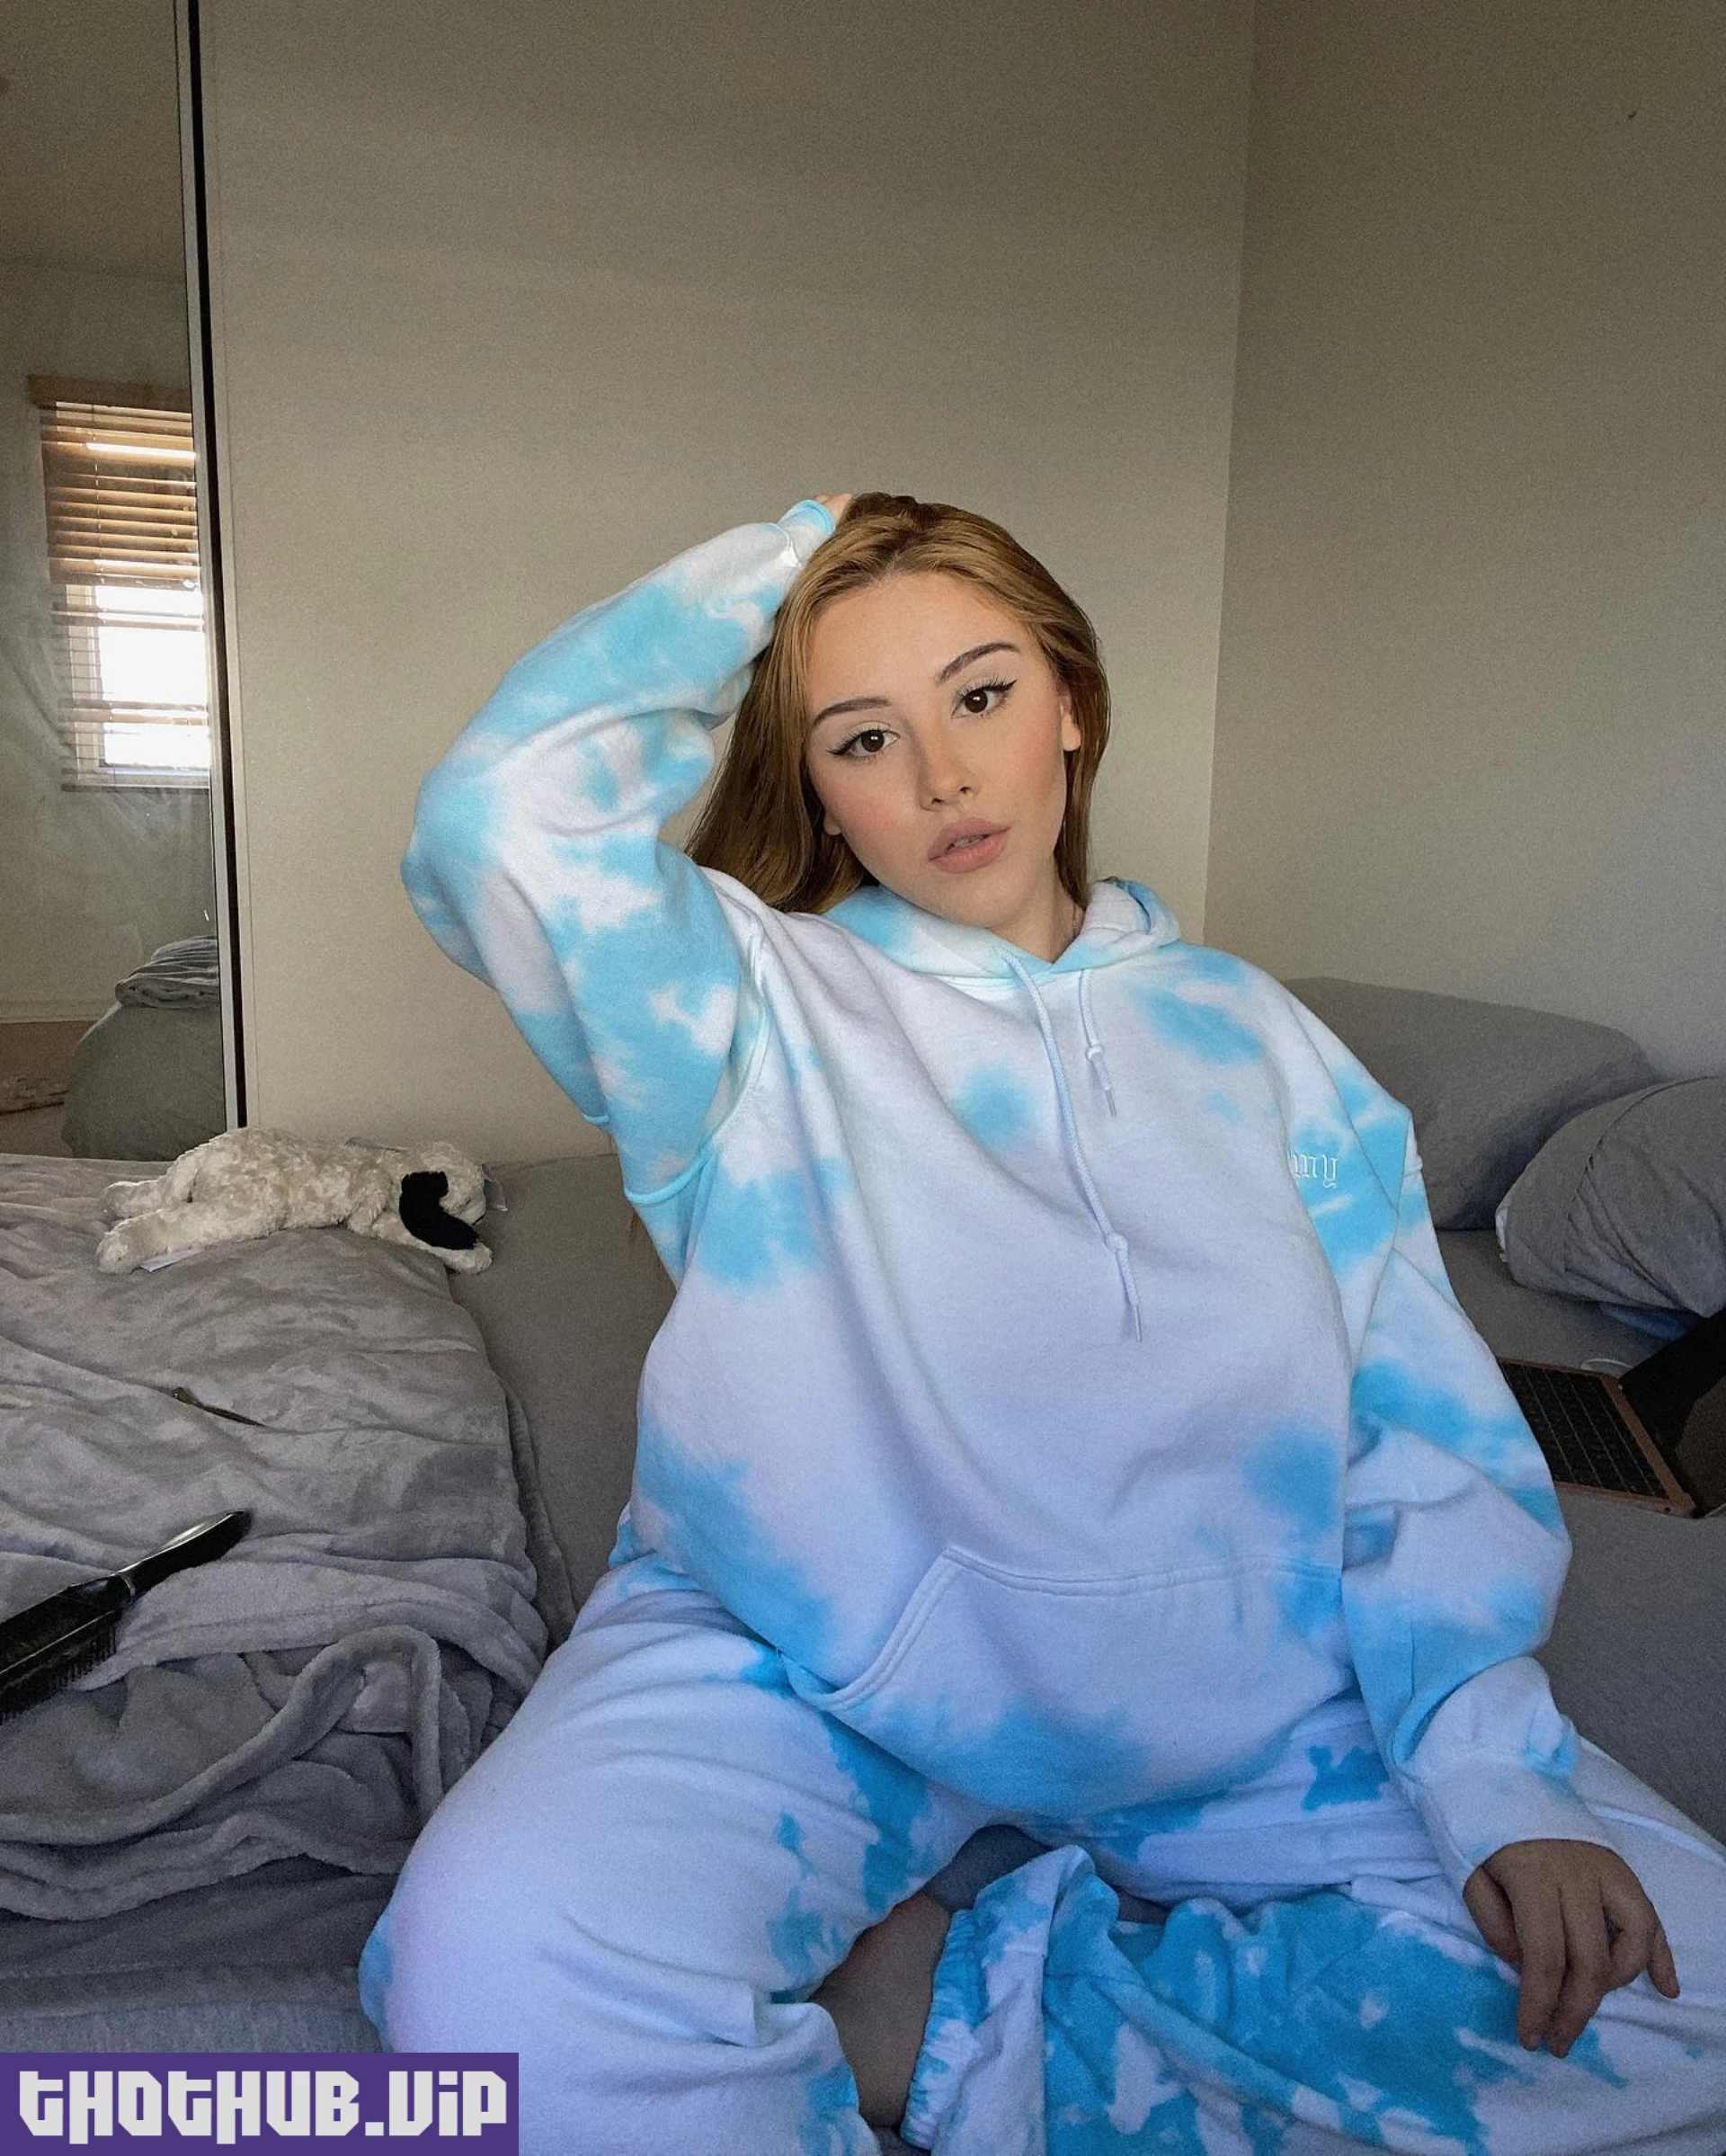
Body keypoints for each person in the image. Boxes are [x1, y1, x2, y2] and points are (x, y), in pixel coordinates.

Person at [360, 494, 1726, 2153]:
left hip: (1245, 1697)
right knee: (490, 1981)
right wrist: (811, 548)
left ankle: (951, 2011)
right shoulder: (742, 1005)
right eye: (867, 737)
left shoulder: (1263, 1039)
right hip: (815, 1668)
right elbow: (496, 819)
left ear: (1071, 706)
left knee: (1691, 1988)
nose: (942, 775)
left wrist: (1491, 1763)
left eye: (983, 694)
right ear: (818, 789)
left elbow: (1414, 1406)